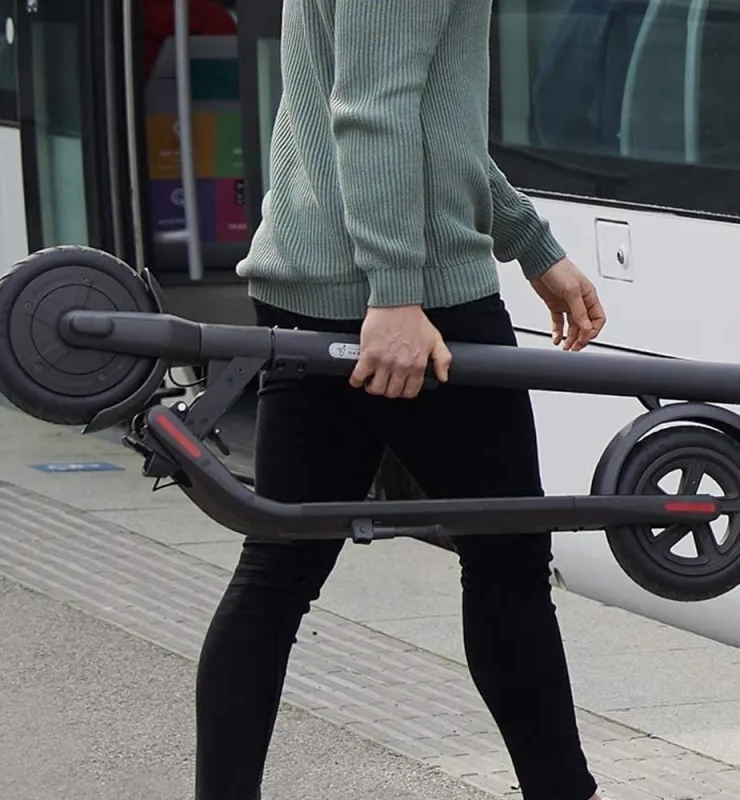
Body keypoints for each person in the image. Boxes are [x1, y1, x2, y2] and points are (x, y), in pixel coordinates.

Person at [196, 2, 610, 799]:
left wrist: (527, 239)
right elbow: (375, 108)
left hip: (320, 283)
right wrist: (393, 290)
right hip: (414, 299)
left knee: (278, 568)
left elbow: (420, 112)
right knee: (508, 557)